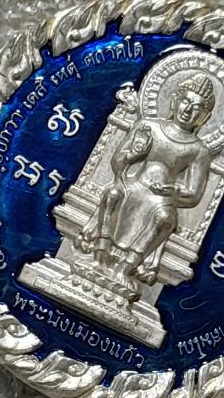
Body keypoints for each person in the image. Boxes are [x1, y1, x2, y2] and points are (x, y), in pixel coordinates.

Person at [79, 73, 215, 299]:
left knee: (165, 219)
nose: (188, 110)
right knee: (112, 194)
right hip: (134, 185)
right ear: (174, 100)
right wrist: (133, 154)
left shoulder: (198, 151)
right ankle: (99, 258)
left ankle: (125, 269)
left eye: (198, 108)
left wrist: (173, 191)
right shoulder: (148, 126)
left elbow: (193, 195)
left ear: (205, 117)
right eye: (185, 101)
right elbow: (117, 162)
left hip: (161, 199)